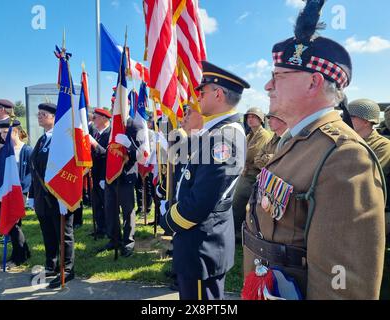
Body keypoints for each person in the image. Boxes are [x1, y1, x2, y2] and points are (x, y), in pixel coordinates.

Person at [242, 0, 385, 300]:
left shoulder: (345, 156)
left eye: (278, 76)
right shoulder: (298, 139)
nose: (268, 86)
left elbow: (343, 288)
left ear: (313, 83)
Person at [160, 61, 249, 300]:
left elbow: (200, 202)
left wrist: (167, 219)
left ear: (218, 94)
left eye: (202, 92)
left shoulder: (222, 138)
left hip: (201, 241)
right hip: (202, 238)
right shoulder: (218, 133)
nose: (197, 97)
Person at [28, 103, 75, 288]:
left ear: (55, 118)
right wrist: (32, 195)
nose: (39, 116)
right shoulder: (41, 139)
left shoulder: (63, 139)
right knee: (47, 232)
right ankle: (52, 264)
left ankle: (68, 269)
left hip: (59, 196)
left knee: (64, 234)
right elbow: (34, 170)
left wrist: (66, 195)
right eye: (38, 114)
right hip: (42, 196)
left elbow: (71, 168)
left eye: (44, 114)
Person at [100, 116, 143, 257]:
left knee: (127, 210)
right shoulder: (112, 126)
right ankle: (114, 239)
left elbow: (142, 153)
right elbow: (107, 153)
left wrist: (129, 145)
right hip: (110, 176)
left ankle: (128, 242)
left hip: (126, 174)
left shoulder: (134, 125)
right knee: (110, 208)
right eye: (112, 103)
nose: (114, 105)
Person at [348, 99, 390, 235]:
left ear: (366, 121)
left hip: (375, 209)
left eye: (351, 116)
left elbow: (368, 176)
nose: (345, 120)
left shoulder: (383, 146)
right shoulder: (347, 140)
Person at [0, 119, 32, 268]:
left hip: (20, 191)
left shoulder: (27, 150)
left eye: (5, 132)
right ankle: (24, 251)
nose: (3, 136)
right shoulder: (4, 150)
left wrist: (26, 191)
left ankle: (19, 257)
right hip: (6, 191)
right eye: (1, 133)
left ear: (15, 132)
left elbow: (31, 172)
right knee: (10, 224)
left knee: (14, 223)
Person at [232, 107, 271, 243]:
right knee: (240, 206)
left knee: (238, 205)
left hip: (253, 176)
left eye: (254, 117)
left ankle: (237, 234)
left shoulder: (263, 135)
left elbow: (251, 155)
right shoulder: (250, 135)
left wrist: (240, 155)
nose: (250, 119)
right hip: (246, 174)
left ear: (260, 119)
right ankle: (238, 233)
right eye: (248, 117)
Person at [88, 108, 112, 238]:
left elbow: (107, 155)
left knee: (106, 204)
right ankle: (100, 228)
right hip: (95, 173)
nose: (93, 120)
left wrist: (94, 143)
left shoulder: (110, 134)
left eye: (95, 117)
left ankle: (109, 229)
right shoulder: (97, 133)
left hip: (105, 174)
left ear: (104, 118)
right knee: (96, 203)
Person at [0, 99, 15, 222]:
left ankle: (4, 218)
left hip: (6, 164)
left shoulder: (10, 124)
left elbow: (12, 147)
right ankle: (0, 216)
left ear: (2, 110)